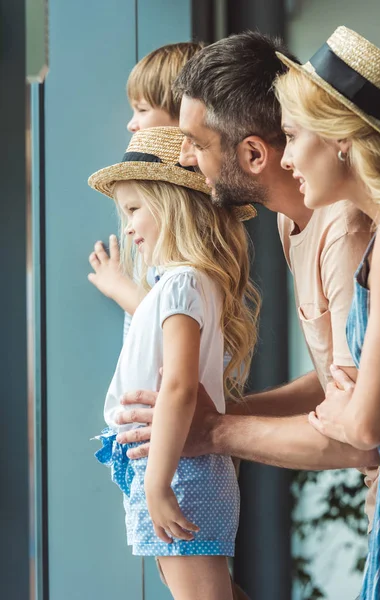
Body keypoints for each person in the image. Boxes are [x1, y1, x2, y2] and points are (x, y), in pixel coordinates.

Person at [115, 32, 379, 520]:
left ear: (254, 155)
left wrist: (215, 431)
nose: (186, 159)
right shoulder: (290, 217)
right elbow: (337, 380)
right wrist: (222, 413)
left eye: (195, 143)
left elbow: (364, 437)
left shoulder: (346, 233)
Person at [88, 126, 260, 600]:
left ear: (171, 204)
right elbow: (153, 323)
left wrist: (159, 485)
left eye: (133, 209)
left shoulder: (183, 284)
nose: (126, 226)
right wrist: (121, 286)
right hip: (172, 467)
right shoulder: (180, 284)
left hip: (179, 470)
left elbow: (180, 387)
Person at [275, 25, 380, 599]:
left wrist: (340, 411)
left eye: (293, 135)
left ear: (341, 138)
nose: (286, 157)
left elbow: (367, 428)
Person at [87, 42, 203, 340]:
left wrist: (118, 287)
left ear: (184, 116)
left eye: (141, 110)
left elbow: (175, 313)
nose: (131, 124)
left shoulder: (188, 215)